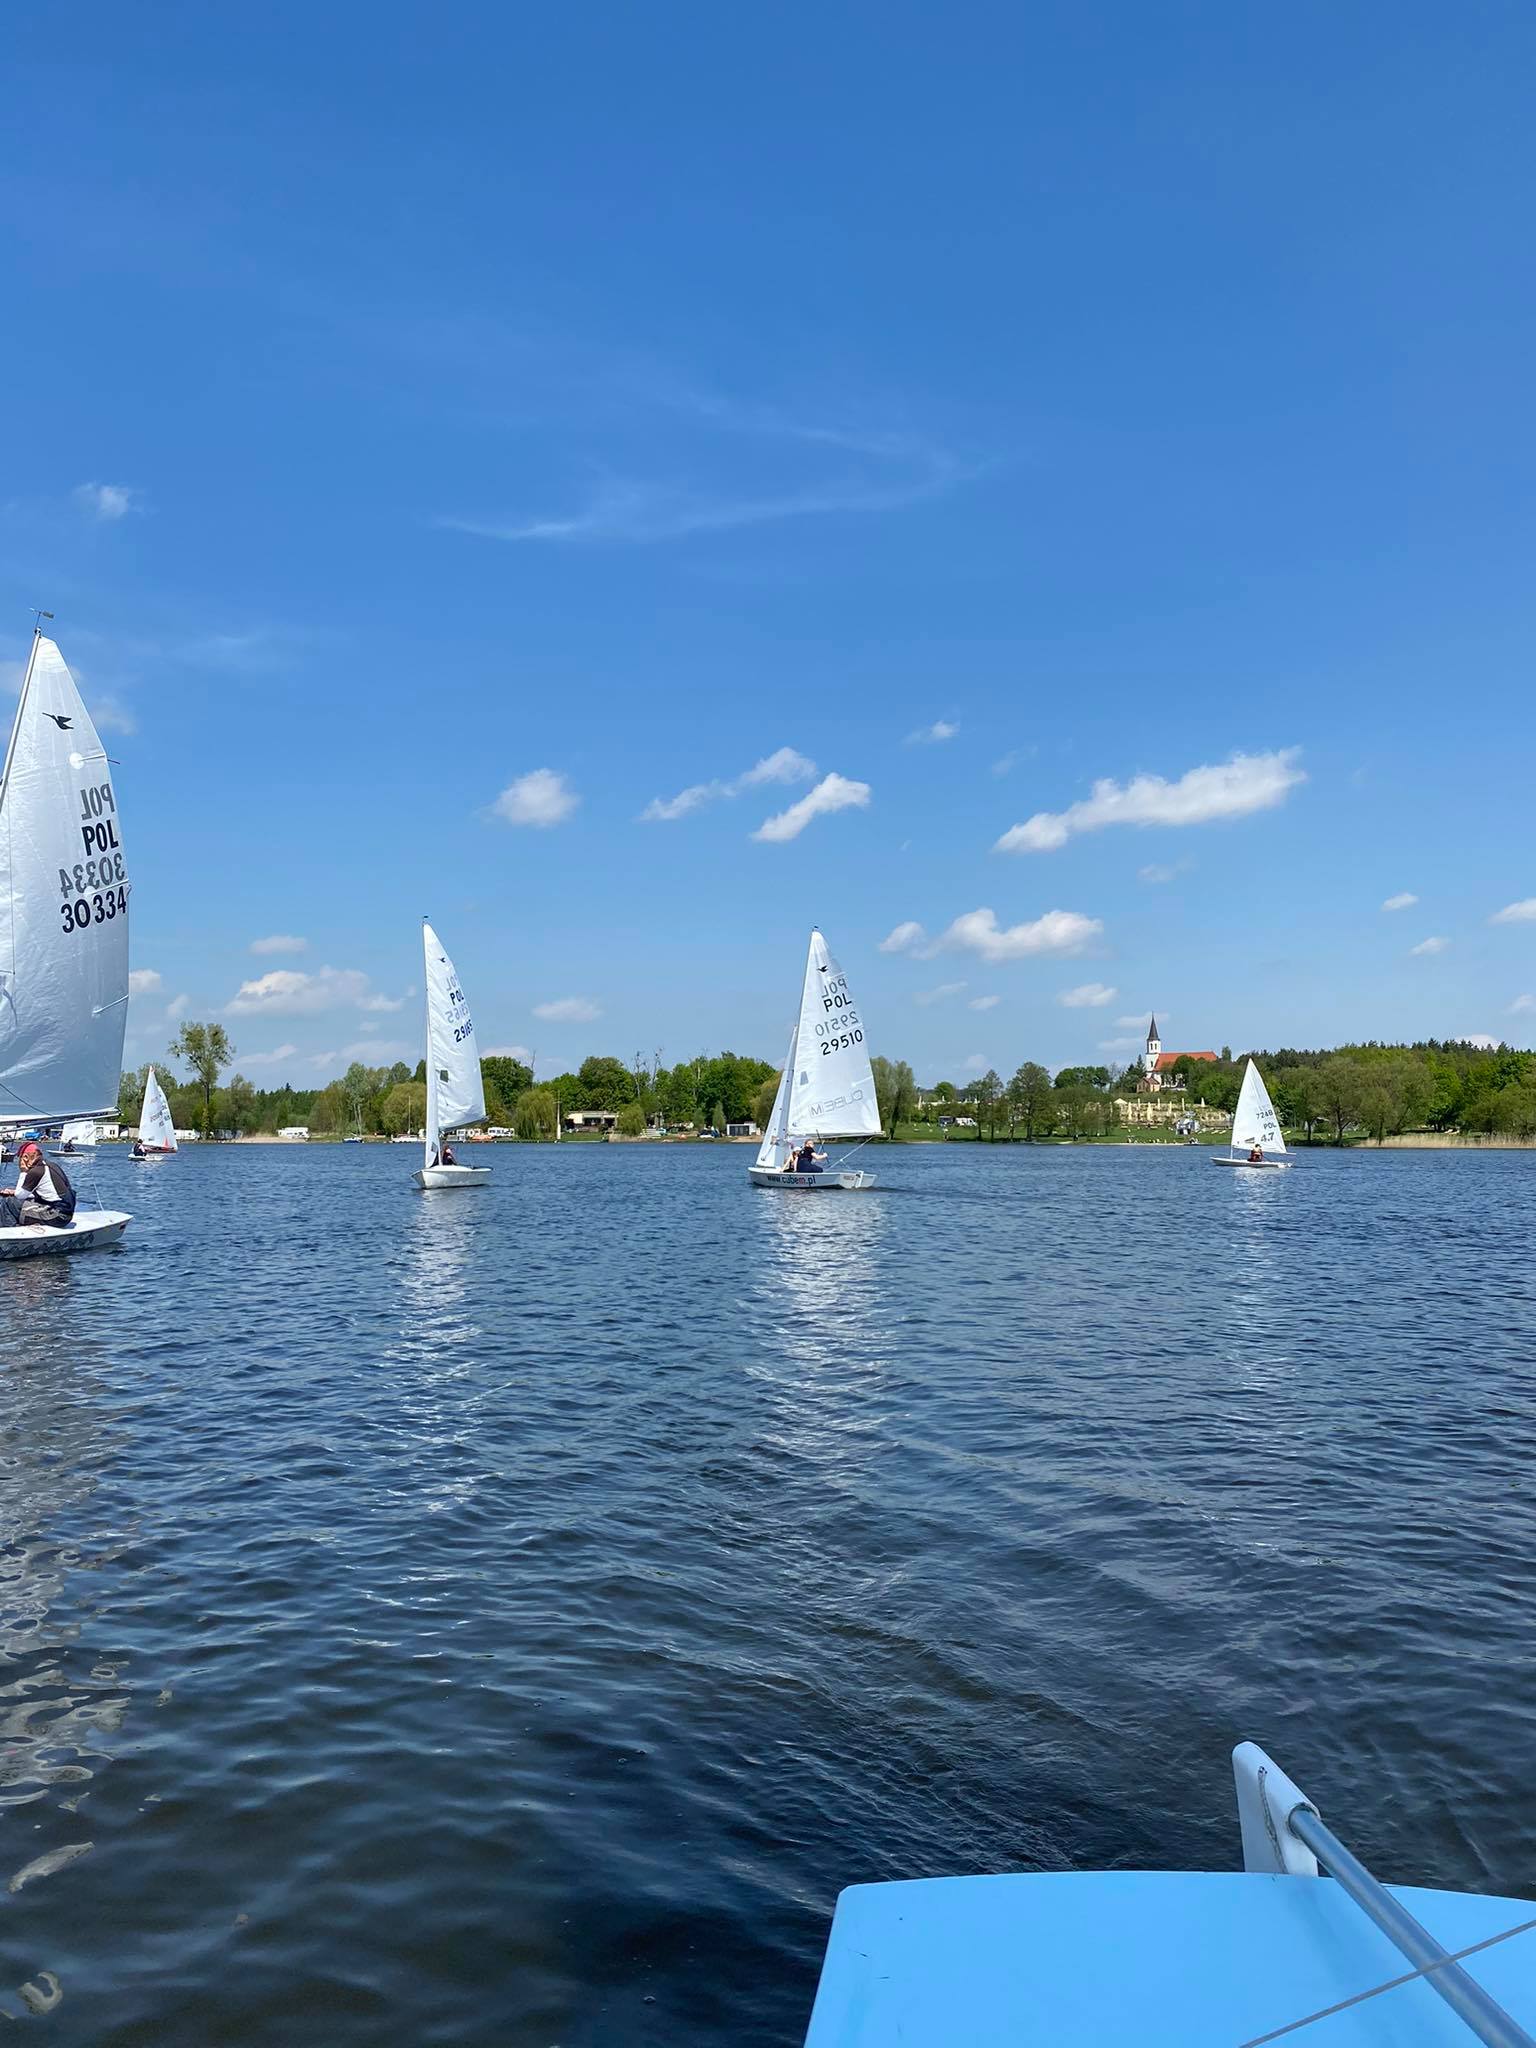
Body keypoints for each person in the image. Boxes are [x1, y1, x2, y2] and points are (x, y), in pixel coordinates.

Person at [0, 1141, 77, 1228]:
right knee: (17, 1201)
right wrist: (13, 1192)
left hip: (56, 1216)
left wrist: (23, 1172)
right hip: (66, 1214)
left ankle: (8, 1230)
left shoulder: (36, 1171)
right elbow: (45, 1193)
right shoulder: (51, 1165)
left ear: (25, 1157)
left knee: (8, 1202)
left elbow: (20, 1196)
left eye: (19, 1158)